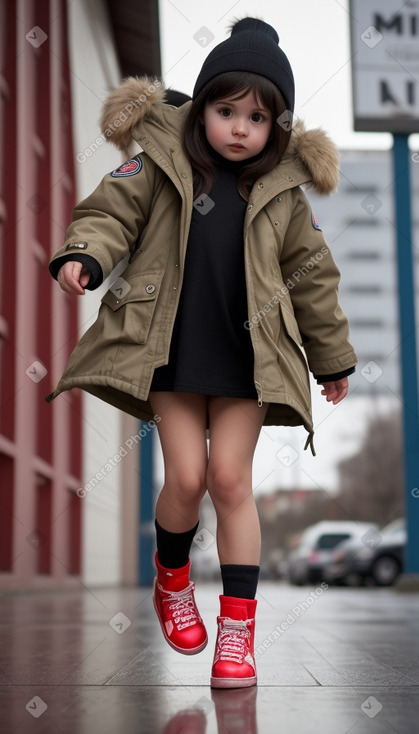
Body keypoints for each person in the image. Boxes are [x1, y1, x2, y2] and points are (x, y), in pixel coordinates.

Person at [47, 17, 357, 689]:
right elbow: (109, 213)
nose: (240, 127)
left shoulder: (284, 195)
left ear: (277, 128)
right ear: (201, 109)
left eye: (257, 117)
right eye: (225, 111)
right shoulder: (160, 161)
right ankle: (172, 579)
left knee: (230, 482)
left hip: (249, 363)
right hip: (172, 350)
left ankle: (237, 634)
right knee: (186, 479)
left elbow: (316, 278)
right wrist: (86, 256)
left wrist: (331, 359)